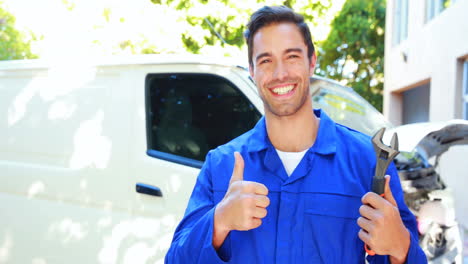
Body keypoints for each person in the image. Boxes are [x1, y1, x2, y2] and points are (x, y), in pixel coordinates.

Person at [165, 5, 427, 263]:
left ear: (311, 62)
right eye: (266, 60)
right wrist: (218, 222)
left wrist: (400, 247)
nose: (280, 74)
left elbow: (405, 255)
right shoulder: (221, 165)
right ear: (252, 71)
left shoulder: (369, 163)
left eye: (291, 57)